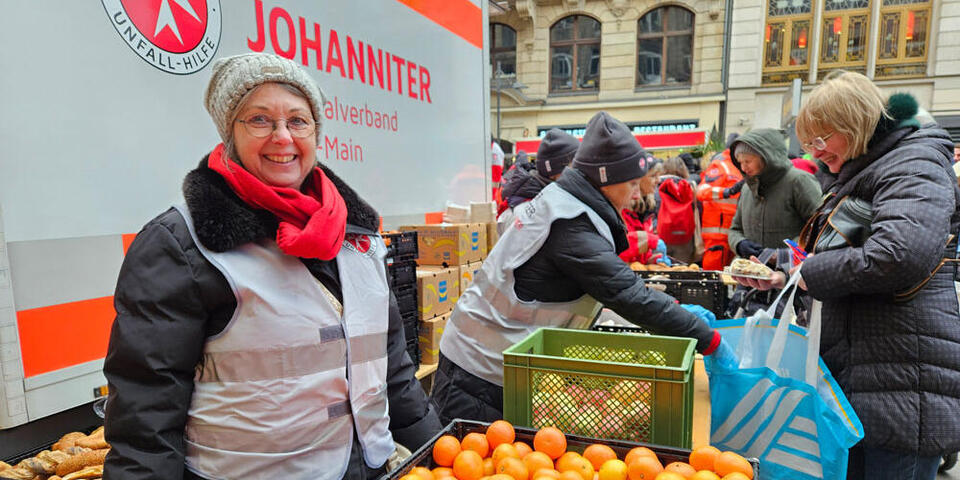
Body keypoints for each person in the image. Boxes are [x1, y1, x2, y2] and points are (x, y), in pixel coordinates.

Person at [102, 53, 441, 480]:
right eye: (259, 120)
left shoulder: (358, 235)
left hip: (369, 468)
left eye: (298, 121)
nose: (282, 137)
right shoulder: (181, 244)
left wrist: (437, 452)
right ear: (230, 133)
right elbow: (146, 415)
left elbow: (392, 367)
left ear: (316, 131)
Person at [429, 111, 734, 423]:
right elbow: (628, 295)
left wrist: (675, 311)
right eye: (631, 183)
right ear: (605, 180)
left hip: (500, 360)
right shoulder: (569, 223)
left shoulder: (568, 206)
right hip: (477, 370)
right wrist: (708, 339)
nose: (637, 193)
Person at [737, 71, 960, 480]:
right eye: (809, 142)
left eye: (822, 139)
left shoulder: (914, 164)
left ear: (856, 125)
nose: (815, 151)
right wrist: (783, 273)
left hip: (902, 384)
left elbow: (898, 254)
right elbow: (840, 248)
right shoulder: (864, 170)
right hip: (870, 378)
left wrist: (810, 273)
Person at [726, 128, 822, 259]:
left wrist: (783, 254)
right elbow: (735, 229)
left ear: (766, 157)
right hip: (749, 268)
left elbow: (819, 227)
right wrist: (739, 244)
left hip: (789, 268)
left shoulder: (799, 181)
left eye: (748, 161)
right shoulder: (747, 188)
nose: (743, 167)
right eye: (740, 162)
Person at [496, 129, 578, 234]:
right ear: (554, 173)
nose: (578, 171)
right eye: (574, 165)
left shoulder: (549, 198)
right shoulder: (525, 213)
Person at [696, 135, 743, 270]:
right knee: (713, 275)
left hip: (733, 233)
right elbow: (702, 191)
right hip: (717, 234)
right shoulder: (721, 165)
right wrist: (727, 191)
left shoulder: (740, 167)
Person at [657, 157, 702, 264]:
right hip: (685, 239)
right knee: (682, 268)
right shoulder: (690, 186)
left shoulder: (656, 186)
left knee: (661, 268)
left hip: (661, 236)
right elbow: (698, 210)